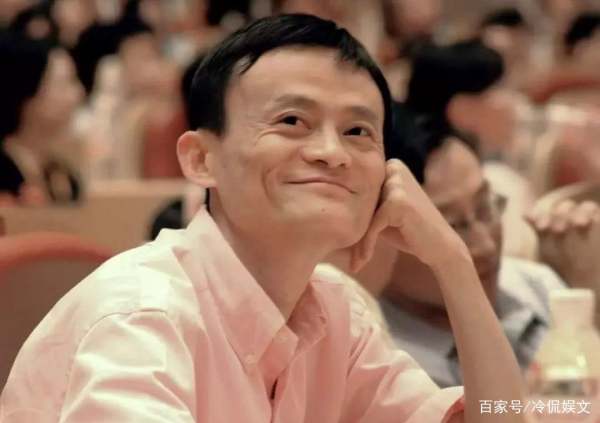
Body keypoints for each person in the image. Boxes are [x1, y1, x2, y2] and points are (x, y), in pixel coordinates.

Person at [1, 14, 527, 422]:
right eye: (292, 120)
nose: (331, 153)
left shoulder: (334, 310)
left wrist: (452, 260)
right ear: (200, 159)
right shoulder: (141, 318)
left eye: (358, 132)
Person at [373, 126, 600, 388]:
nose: (486, 245)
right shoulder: (378, 361)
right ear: (377, 234)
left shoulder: (534, 283)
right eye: (450, 225)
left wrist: (587, 293)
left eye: (485, 207)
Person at [0, 30, 83, 205]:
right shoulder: (5, 174)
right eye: (64, 84)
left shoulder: (63, 175)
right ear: (27, 92)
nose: (77, 94)